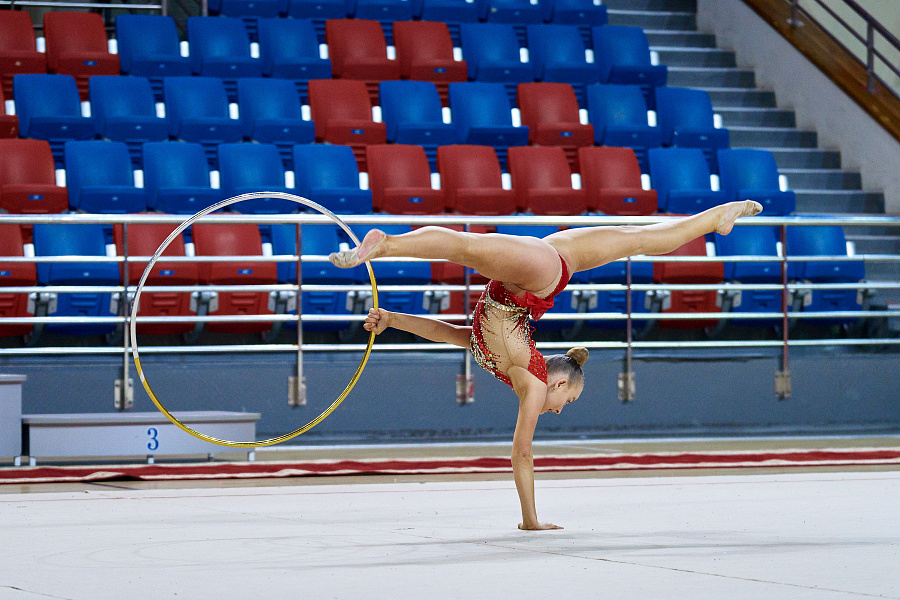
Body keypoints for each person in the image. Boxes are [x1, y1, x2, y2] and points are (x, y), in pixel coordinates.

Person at [330, 200, 762, 530]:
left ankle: (720, 216)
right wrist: (530, 519)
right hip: (537, 277)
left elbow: (447, 332)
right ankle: (386, 245)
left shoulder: (495, 359)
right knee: (467, 248)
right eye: (567, 401)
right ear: (557, 384)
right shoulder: (532, 385)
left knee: (640, 239)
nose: (558, 409)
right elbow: (522, 453)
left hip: (551, 263)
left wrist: (391, 320)